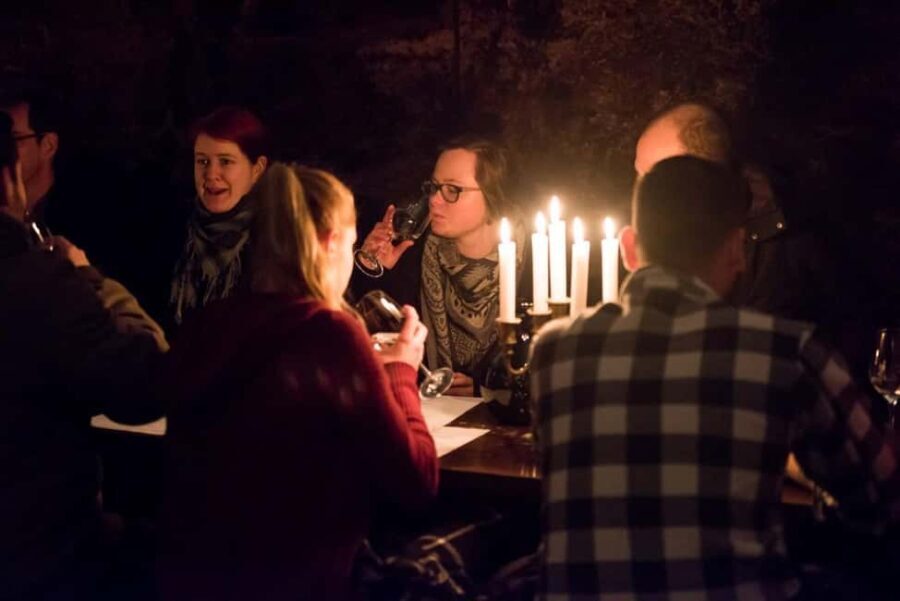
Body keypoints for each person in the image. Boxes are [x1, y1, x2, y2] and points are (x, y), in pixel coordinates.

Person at [529, 156, 900, 600]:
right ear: (736, 250)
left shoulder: (552, 350)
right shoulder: (787, 351)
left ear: (629, 247)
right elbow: (882, 495)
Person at [158, 163, 439, 600]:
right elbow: (417, 481)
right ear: (331, 242)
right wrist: (401, 370)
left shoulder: (208, 323)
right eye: (350, 244)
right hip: (299, 583)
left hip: (189, 581)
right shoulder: (330, 335)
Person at [0, 112, 169, 599]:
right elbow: (145, 386)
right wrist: (88, 280)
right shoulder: (39, 282)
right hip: (40, 556)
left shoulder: (87, 218)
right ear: (8, 176)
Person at [633, 102, 835, 326]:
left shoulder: (789, 251)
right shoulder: (707, 226)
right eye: (641, 178)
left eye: (657, 179)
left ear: (700, 176)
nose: (643, 195)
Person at [354, 135, 526, 396]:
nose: (434, 200)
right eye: (434, 187)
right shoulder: (414, 252)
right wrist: (372, 265)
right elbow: (370, 339)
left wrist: (488, 390)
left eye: (452, 190)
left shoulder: (536, 262)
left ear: (494, 194)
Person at [169, 105, 269, 326]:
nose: (211, 174)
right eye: (202, 161)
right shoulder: (172, 232)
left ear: (257, 169)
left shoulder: (274, 245)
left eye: (225, 161)